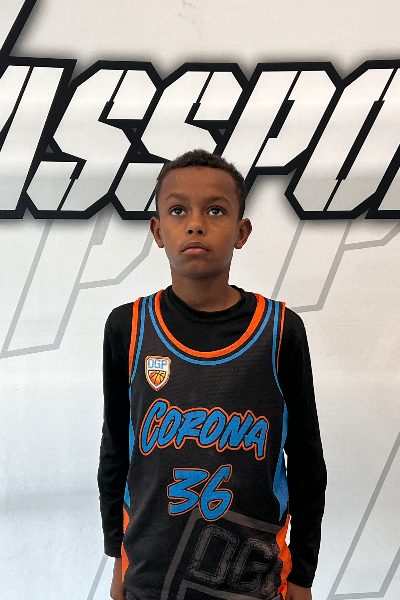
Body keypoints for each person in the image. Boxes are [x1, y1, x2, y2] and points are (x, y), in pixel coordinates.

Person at [98, 149, 327, 600]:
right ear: (157, 230)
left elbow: (306, 464)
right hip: (150, 576)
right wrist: (116, 557)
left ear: (241, 232)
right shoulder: (128, 327)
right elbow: (115, 453)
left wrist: (302, 575)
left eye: (216, 210)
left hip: (253, 581)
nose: (196, 224)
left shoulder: (281, 330)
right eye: (178, 210)